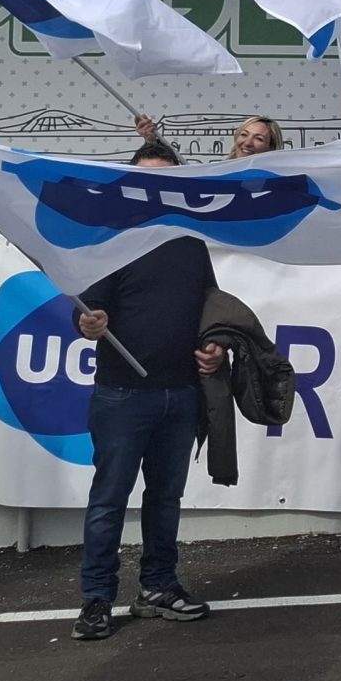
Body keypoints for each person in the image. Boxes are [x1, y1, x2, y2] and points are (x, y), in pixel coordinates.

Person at [71, 139, 226, 640]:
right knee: (109, 501)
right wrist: (88, 324)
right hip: (122, 396)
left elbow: (209, 311)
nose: (154, 190)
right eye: (145, 181)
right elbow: (85, 312)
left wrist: (214, 346)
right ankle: (96, 599)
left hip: (180, 394)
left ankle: (158, 587)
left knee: (165, 500)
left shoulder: (190, 243)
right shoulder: (111, 242)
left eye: (164, 180)